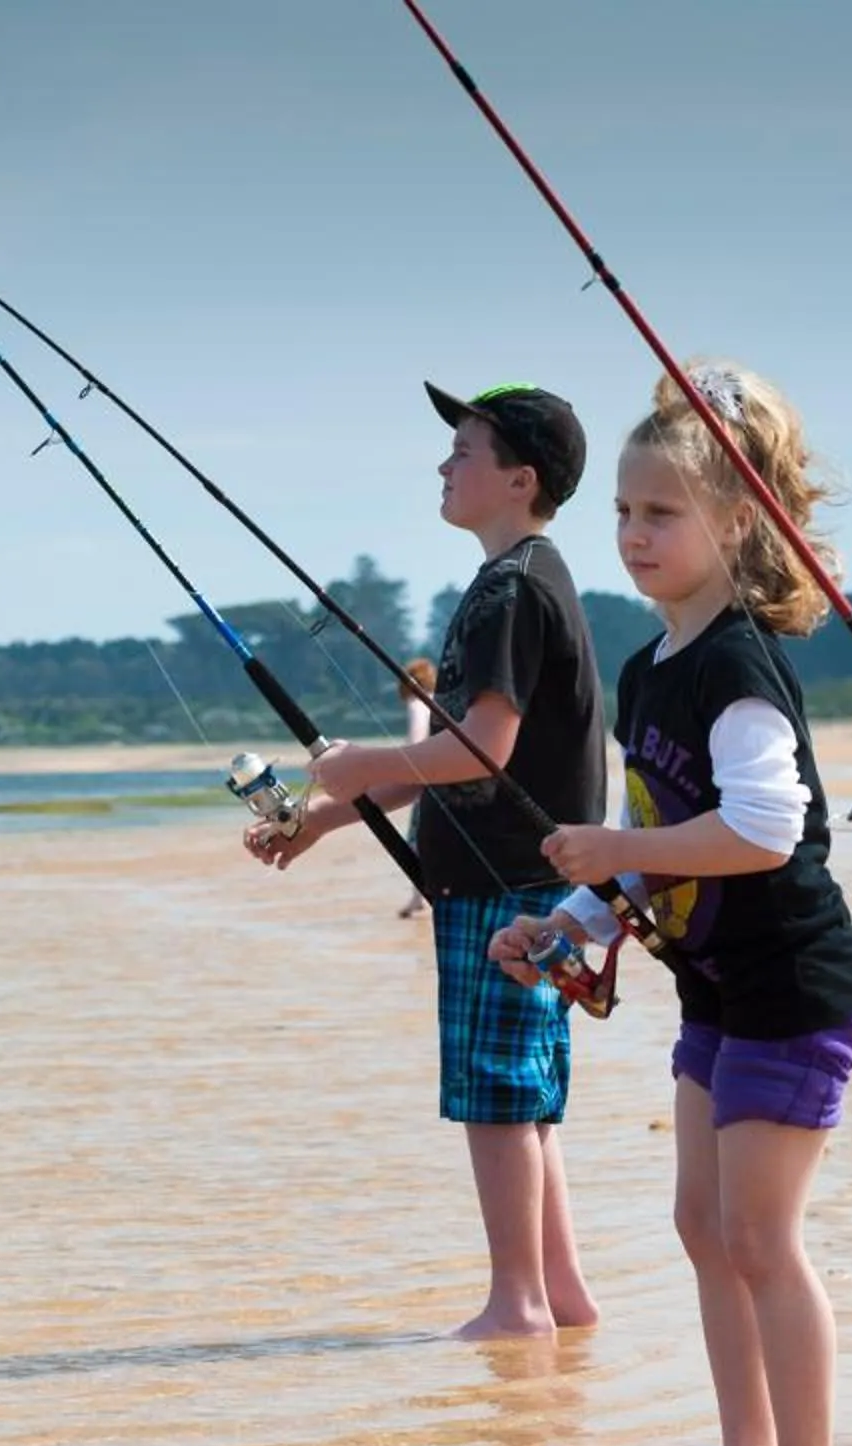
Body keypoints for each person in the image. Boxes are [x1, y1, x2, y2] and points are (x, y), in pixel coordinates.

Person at [492, 363, 852, 1446]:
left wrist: (614, 858)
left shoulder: (738, 659)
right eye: (622, 509)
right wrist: (565, 917)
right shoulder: (649, 668)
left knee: (761, 1234)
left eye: (661, 512)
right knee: (701, 1224)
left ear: (738, 520)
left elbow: (767, 829)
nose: (633, 533)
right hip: (716, 991)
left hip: (797, 986)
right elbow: (649, 834)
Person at [244, 382, 610, 1339]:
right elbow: (461, 760)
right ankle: (559, 1291)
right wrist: (324, 817)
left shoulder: (512, 590)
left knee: (497, 1096)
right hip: (529, 880)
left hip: (503, 887)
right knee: (525, 1096)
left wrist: (362, 761)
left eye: (464, 452)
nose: (444, 466)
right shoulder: (525, 579)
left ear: (518, 478)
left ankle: (517, 1304)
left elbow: (477, 750)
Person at [396, 657, 440, 919]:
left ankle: (418, 898)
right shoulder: (439, 699)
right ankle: (421, 897)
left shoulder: (417, 703)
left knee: (417, 843)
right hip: (443, 777)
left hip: (423, 782)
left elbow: (415, 739)